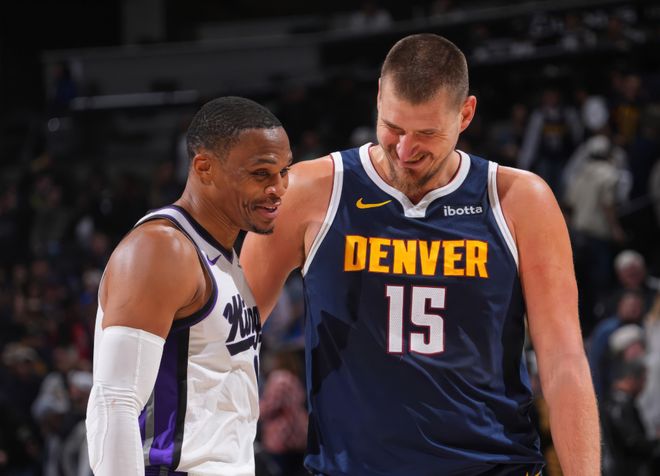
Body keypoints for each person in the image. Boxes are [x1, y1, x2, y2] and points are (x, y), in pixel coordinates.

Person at [241, 34, 600, 475]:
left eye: (427, 133)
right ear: (378, 96)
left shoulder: (520, 201)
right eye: (393, 127)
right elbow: (229, 340)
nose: (405, 150)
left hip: (493, 465)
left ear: (465, 113)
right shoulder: (307, 192)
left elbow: (564, 360)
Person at [85, 96, 292, 476]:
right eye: (261, 174)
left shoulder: (225, 257)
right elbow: (114, 401)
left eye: (284, 172)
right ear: (204, 167)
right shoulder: (161, 249)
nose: (278, 188)